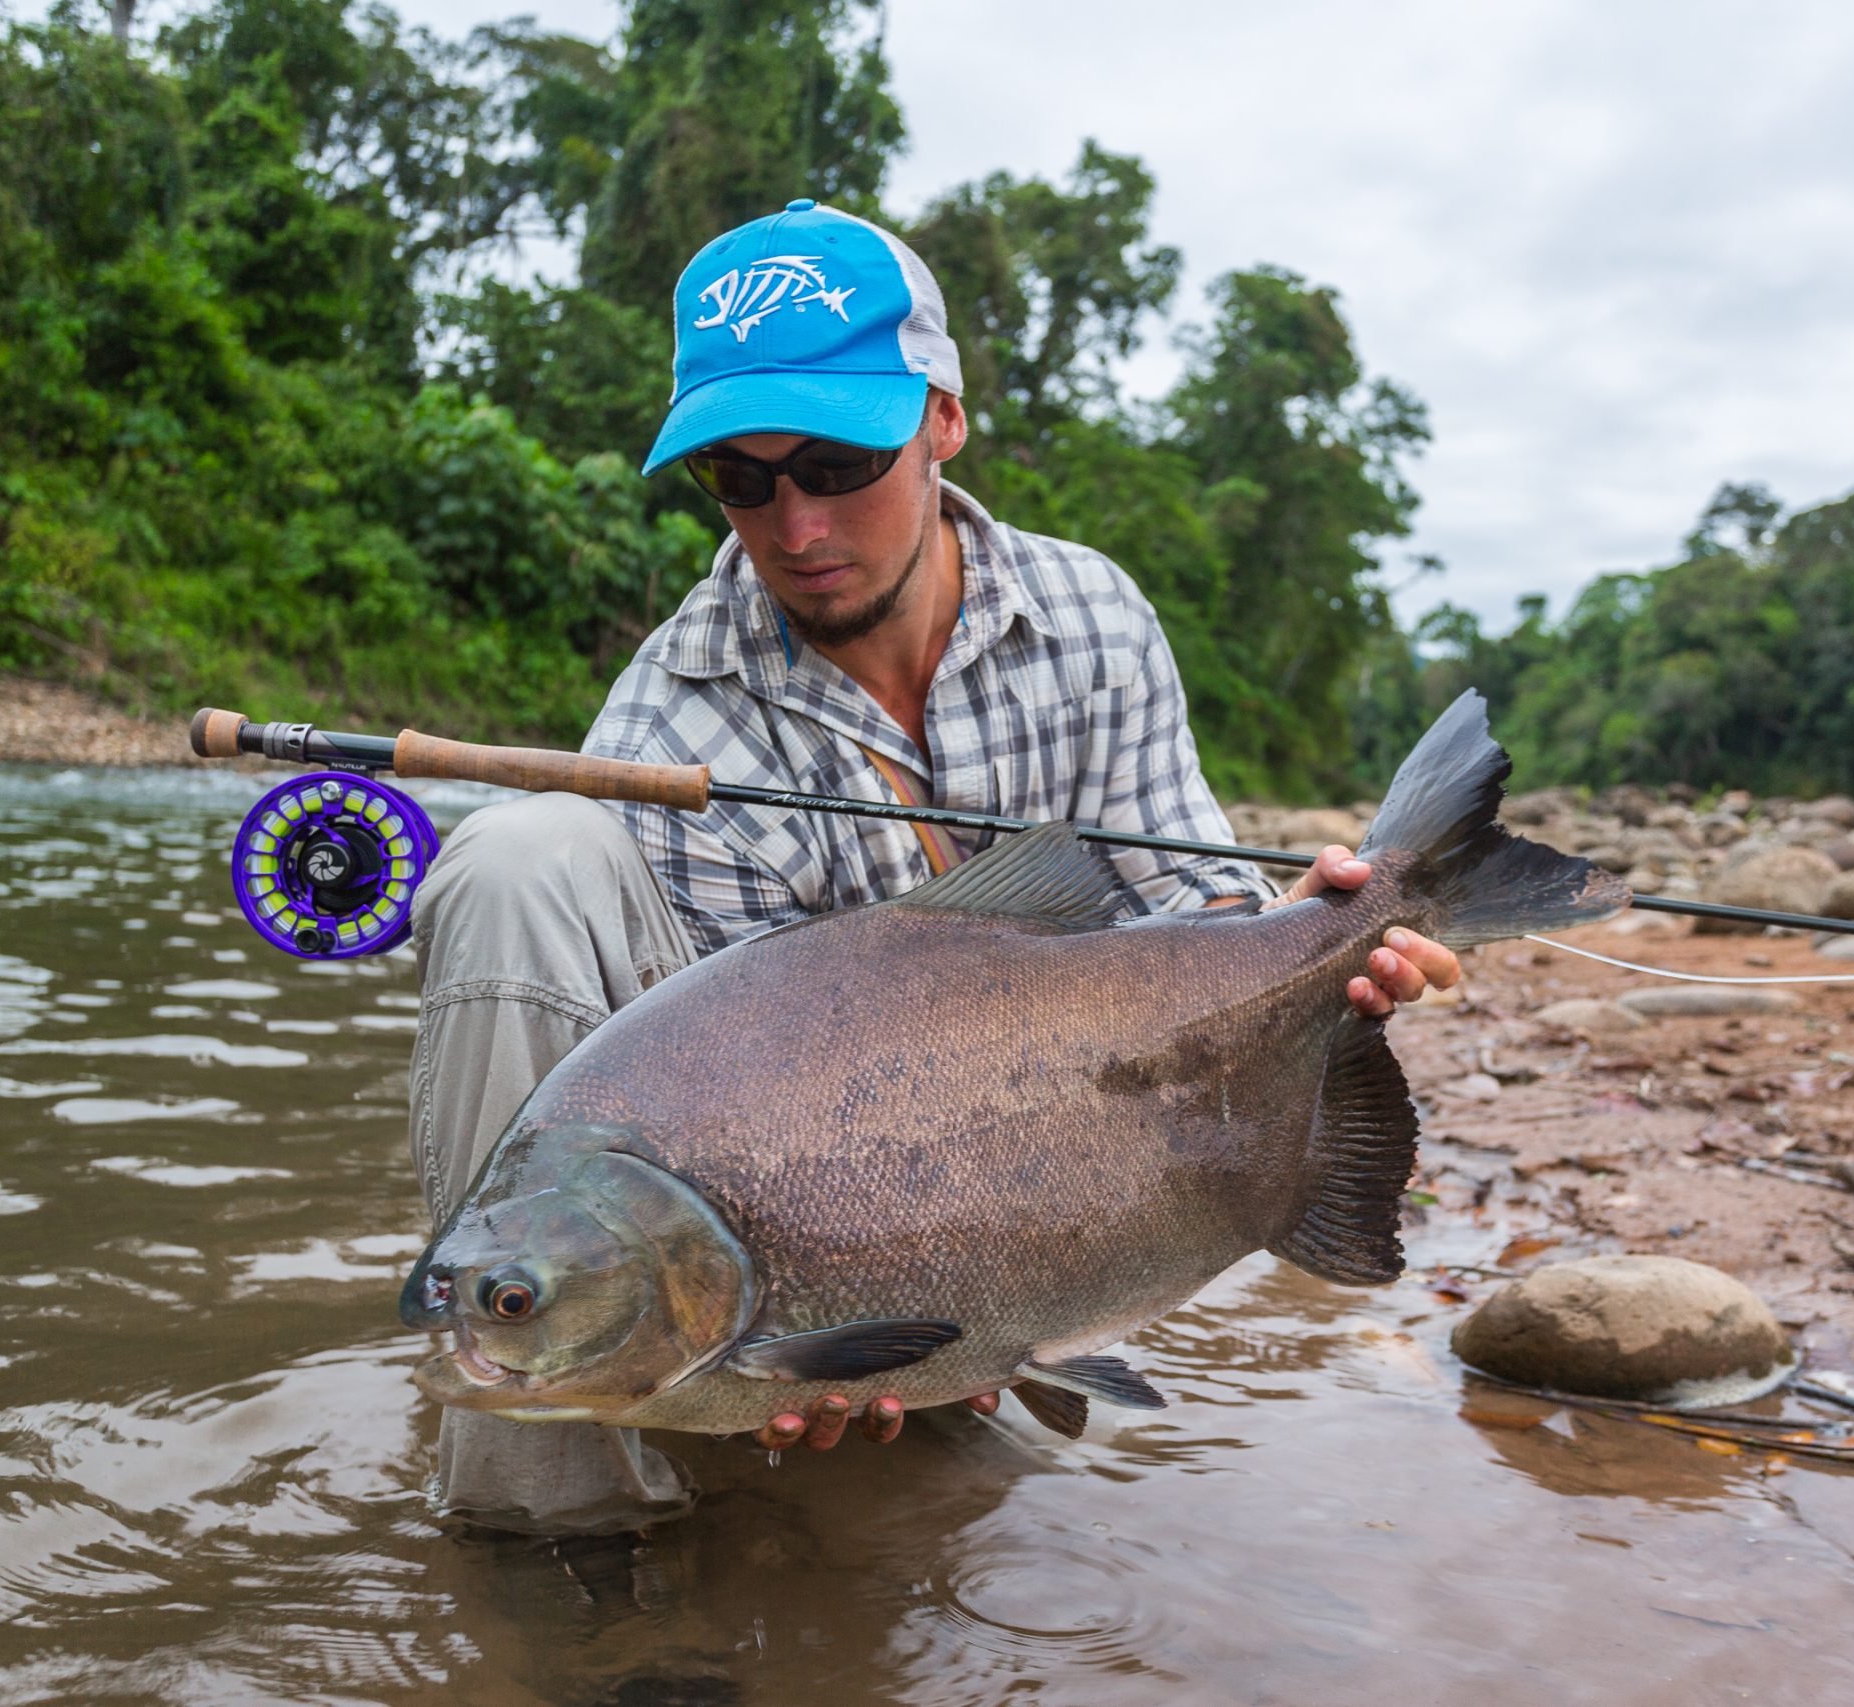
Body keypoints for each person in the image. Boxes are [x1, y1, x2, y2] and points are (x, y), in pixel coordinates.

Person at [404, 199, 1461, 1536]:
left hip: (1019, 1163)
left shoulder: (1092, 620)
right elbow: (724, 1078)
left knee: (937, 1518)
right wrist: (800, 1311)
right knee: (519, 852)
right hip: (777, 1167)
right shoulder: (663, 717)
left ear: (943, 421)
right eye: (741, 478)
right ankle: (547, 1528)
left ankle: (981, 1360)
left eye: (839, 460)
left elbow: (1186, 917)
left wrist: (1311, 939)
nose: (793, 524)